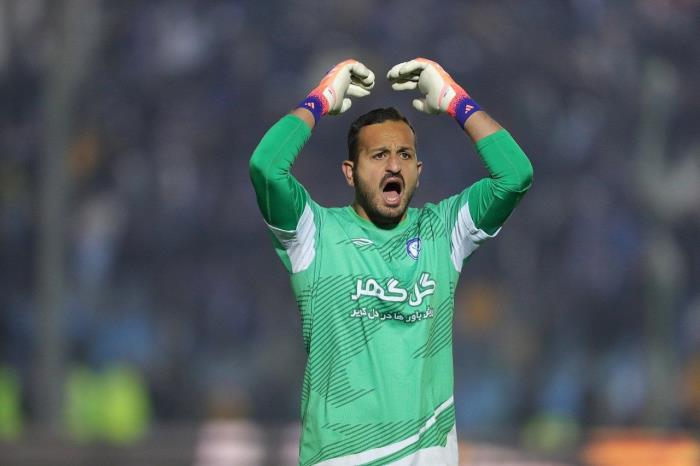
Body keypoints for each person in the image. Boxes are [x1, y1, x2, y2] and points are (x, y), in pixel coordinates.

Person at [249, 58, 533, 465]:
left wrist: (454, 99)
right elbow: (266, 167)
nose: (394, 165)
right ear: (350, 172)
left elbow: (515, 174)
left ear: (418, 171)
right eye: (379, 155)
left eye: (404, 154)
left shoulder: (443, 232)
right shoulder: (315, 233)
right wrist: (322, 98)